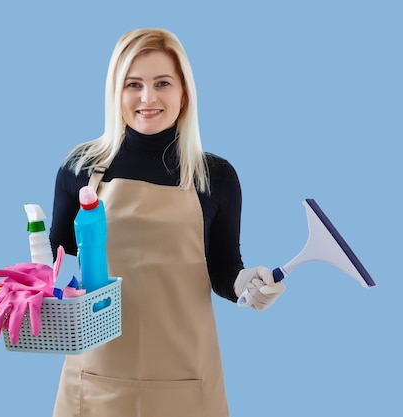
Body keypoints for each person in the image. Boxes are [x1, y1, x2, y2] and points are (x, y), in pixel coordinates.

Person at [48, 28, 286, 417]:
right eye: (133, 84)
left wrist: (250, 285)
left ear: (184, 93)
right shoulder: (80, 169)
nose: (148, 98)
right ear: (116, 92)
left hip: (187, 380)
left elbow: (225, 269)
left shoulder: (215, 176)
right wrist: (27, 296)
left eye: (162, 83)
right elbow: (52, 267)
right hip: (96, 380)